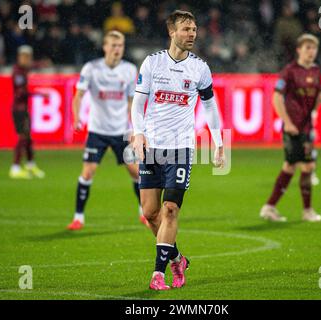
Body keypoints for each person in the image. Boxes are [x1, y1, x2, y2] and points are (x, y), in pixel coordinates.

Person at [131, 10, 225, 290]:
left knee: (170, 209)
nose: (192, 34)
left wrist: (219, 142)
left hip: (181, 148)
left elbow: (210, 106)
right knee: (150, 213)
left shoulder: (200, 68)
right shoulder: (152, 63)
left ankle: (158, 274)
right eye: (186, 29)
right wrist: (138, 133)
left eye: (194, 29)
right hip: (152, 147)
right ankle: (177, 258)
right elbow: (138, 103)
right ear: (172, 32)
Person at [67, 31, 144, 231]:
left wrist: (135, 128)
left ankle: (143, 211)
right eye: (113, 45)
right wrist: (76, 118)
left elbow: (130, 101)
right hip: (98, 131)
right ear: (105, 47)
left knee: (135, 171)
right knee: (88, 172)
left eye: (120, 46)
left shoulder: (129, 70)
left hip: (121, 131)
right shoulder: (91, 69)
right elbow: (78, 95)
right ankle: (78, 217)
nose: (117, 49)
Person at [260, 34, 321, 222]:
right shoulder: (289, 71)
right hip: (293, 128)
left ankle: (272, 207)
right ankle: (302, 210)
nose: (311, 52)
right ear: (299, 50)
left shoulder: (316, 71)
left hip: (306, 128)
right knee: (297, 166)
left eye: (314, 48)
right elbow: (276, 97)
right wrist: (287, 121)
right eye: (307, 48)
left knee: (301, 166)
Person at [9, 45, 45, 179]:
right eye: (27, 57)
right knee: (23, 137)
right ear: (21, 57)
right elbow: (20, 93)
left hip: (23, 109)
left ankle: (30, 165)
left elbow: (31, 66)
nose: (29, 60)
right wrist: (38, 95)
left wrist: (40, 64)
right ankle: (15, 168)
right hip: (19, 110)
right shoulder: (18, 72)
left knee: (28, 139)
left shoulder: (22, 70)